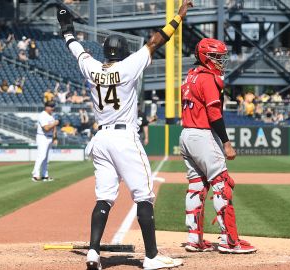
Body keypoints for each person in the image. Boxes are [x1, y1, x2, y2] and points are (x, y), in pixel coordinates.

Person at [57, 1, 193, 269]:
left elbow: (75, 48)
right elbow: (156, 41)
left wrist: (66, 27)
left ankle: (93, 252)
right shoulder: (129, 66)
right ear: (124, 52)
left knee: (104, 198)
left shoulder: (92, 67)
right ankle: (152, 257)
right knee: (144, 196)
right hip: (124, 138)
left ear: (106, 52)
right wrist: (178, 17)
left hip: (101, 140)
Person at [180, 37, 256, 254]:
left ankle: (194, 239)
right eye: (216, 57)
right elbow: (214, 114)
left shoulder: (190, 76)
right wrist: (226, 143)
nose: (221, 61)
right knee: (222, 185)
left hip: (186, 134)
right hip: (203, 134)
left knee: (196, 186)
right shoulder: (208, 78)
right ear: (205, 56)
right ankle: (229, 241)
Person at [31, 102, 59, 182]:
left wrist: (55, 138)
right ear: (46, 107)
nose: (52, 108)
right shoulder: (42, 115)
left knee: (47, 158)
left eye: (53, 106)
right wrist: (54, 123)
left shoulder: (51, 115)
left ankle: (45, 175)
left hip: (49, 137)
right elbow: (46, 128)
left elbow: (54, 128)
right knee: (41, 156)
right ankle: (35, 175)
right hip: (42, 137)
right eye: (51, 106)